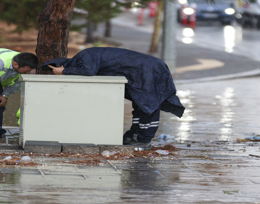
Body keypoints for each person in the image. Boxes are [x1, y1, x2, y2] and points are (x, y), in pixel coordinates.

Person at [43, 47, 185, 149]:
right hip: (144, 68)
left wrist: (64, 72)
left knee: (148, 105)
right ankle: (134, 135)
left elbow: (88, 71)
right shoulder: (84, 58)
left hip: (146, 69)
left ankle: (144, 140)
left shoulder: (83, 56)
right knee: (141, 104)